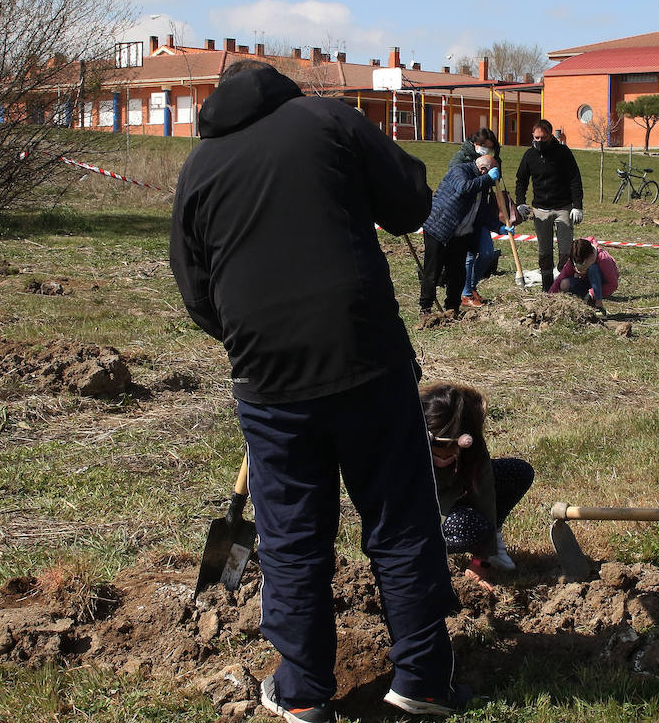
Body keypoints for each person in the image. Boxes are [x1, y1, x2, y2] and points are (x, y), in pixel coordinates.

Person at [169, 61, 469, 720]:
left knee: (291, 535)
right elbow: (413, 205)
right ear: (281, 87)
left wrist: (256, 338)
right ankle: (420, 680)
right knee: (398, 518)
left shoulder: (199, 165)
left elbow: (195, 292)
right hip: (366, 356)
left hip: (268, 379)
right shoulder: (330, 119)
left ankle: (303, 694)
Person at [420, 383, 534, 583]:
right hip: (421, 513)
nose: (444, 457)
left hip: (456, 497)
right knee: (472, 527)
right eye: (437, 451)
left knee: (519, 472)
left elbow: (486, 495)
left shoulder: (474, 450)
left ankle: (492, 543)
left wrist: (483, 560)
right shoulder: (407, 448)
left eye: (451, 452)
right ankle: (424, 551)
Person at [419, 155, 500, 316]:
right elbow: (464, 188)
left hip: (461, 234)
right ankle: (425, 308)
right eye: (491, 174)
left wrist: (500, 228)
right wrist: (487, 179)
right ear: (483, 170)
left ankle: (452, 308)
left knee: (457, 273)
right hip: (439, 227)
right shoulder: (460, 170)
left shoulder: (483, 183)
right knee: (433, 270)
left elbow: (482, 212)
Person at [515, 119, 583, 291]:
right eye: (536, 138)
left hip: (563, 208)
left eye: (543, 138)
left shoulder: (563, 152)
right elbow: (521, 180)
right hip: (540, 209)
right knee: (544, 251)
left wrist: (577, 205)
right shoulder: (529, 155)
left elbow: (575, 178)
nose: (539, 142)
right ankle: (547, 288)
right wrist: (520, 203)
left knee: (566, 250)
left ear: (550, 136)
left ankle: (564, 285)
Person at [449, 128, 503, 307]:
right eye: (485, 148)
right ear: (476, 144)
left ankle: (471, 287)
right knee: (469, 256)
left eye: (491, 149)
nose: (487, 152)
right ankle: (465, 294)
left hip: (481, 213)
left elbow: (495, 181)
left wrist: (496, 164)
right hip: (464, 215)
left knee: (487, 253)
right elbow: (460, 186)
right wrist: (485, 178)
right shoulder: (460, 160)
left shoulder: (490, 160)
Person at [550, 237, 619, 310]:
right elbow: (562, 276)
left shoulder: (604, 259)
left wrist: (592, 293)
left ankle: (599, 305)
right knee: (564, 284)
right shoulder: (576, 255)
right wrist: (550, 296)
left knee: (593, 268)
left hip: (601, 285)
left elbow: (613, 285)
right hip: (586, 282)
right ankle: (584, 300)